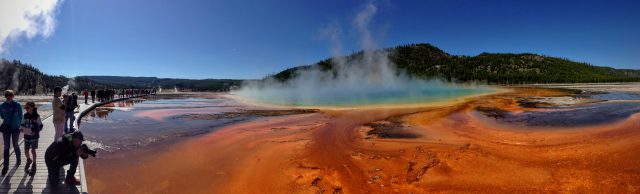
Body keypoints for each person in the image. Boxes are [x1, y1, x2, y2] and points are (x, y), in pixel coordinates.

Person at [0, 90, 23, 176]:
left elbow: (21, 117)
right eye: (7, 95)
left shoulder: (17, 105)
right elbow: (2, 116)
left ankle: (18, 159)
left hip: (16, 129)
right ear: (5, 96)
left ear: (13, 96)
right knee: (6, 147)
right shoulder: (2, 106)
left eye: (10, 95)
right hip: (6, 128)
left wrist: (21, 126)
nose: (9, 97)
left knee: (16, 144)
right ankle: (5, 166)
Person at [20, 102, 43, 176]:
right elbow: (22, 124)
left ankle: (34, 162)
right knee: (26, 150)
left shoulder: (36, 116)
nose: (26, 109)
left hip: (34, 136)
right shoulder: (25, 115)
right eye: (25, 108)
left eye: (27, 107)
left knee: (33, 150)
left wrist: (35, 131)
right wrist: (21, 129)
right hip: (26, 135)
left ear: (32, 107)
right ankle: (29, 159)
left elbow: (41, 125)